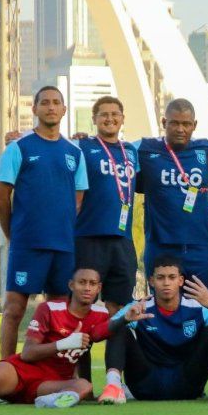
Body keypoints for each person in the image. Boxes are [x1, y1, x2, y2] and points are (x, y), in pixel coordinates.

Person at [0, 85, 88, 357]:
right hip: (28, 244)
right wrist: (13, 234)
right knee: (14, 309)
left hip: (63, 246)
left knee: (59, 314)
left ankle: (54, 372)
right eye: (44, 102)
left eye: (56, 102)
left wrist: (60, 227)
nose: (51, 107)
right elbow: (1, 197)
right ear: (34, 109)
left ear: (64, 110)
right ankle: (6, 370)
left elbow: (77, 201)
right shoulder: (18, 148)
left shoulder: (75, 153)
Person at [0, 268, 113, 408]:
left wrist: (127, 315)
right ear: (71, 285)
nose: (87, 288)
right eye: (82, 282)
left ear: (99, 288)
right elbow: (28, 353)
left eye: (92, 283)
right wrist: (64, 343)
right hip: (22, 370)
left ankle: (50, 402)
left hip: (53, 382)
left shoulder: (101, 314)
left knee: (84, 386)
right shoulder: (49, 308)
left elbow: (114, 324)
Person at [98, 255, 208, 404]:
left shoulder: (198, 308)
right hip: (145, 385)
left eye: (172, 277)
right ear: (151, 281)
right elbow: (97, 334)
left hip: (188, 384)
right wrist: (124, 319)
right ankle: (113, 387)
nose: (166, 283)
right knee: (118, 328)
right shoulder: (139, 308)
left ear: (180, 281)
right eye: (160, 278)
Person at [135, 98, 208, 292]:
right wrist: (83, 139)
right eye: (174, 123)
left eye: (186, 124)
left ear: (194, 125)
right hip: (161, 246)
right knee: (162, 303)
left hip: (199, 246)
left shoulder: (206, 148)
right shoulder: (145, 147)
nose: (180, 129)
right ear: (164, 123)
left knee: (201, 304)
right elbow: (114, 150)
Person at [73, 96, 140, 314]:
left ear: (123, 118)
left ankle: (116, 339)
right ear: (94, 119)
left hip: (122, 238)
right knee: (83, 302)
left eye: (115, 114)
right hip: (89, 237)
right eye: (104, 114)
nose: (110, 119)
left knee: (120, 304)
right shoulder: (82, 146)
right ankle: (79, 339)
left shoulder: (131, 151)